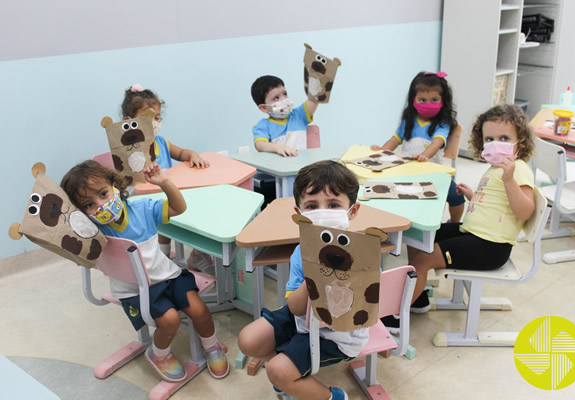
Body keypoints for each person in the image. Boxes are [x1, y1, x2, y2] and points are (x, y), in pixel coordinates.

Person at [61, 160, 229, 382]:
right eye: (89, 205)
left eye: (103, 194)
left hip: (167, 275)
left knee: (200, 310)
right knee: (170, 321)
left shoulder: (142, 208)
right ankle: (159, 354)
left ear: (115, 186)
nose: (100, 205)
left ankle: (211, 346)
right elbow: (82, 257)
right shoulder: (93, 232)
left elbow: (179, 208)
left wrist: (164, 182)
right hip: (134, 291)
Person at [383, 104, 536, 331]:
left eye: (504, 138)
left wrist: (509, 180)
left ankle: (396, 315)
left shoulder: (518, 169)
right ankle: (418, 294)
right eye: (490, 139)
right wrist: (473, 196)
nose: (496, 143)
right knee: (420, 236)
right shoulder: (495, 168)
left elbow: (524, 212)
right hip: (474, 233)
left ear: (520, 141)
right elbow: (497, 205)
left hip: (491, 246)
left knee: (424, 259)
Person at [238, 160, 366, 400]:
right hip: (302, 316)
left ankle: (333, 397)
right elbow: (295, 307)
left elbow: (359, 311)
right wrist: (316, 274)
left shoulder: (362, 253)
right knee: (249, 339)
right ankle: (288, 381)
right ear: (299, 214)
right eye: (312, 205)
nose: (323, 212)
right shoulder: (300, 252)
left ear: (353, 211)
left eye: (334, 204)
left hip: (339, 335)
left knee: (277, 370)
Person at [121, 83, 213, 272]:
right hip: (142, 200)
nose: (154, 122)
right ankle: (161, 259)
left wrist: (192, 155)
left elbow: (182, 153)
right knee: (163, 215)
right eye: (148, 118)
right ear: (128, 121)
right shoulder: (128, 151)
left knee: (194, 207)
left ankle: (195, 253)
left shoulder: (161, 142)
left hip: (166, 194)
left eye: (158, 117)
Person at [370, 71, 465, 223]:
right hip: (407, 171)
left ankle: (454, 223)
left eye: (434, 99)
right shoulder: (409, 121)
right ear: (413, 100)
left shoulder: (442, 123)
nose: (428, 104)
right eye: (422, 100)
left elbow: (437, 142)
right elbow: (394, 140)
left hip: (433, 172)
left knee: (457, 195)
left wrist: (425, 155)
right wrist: (380, 152)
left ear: (443, 101)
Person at [251, 75, 318, 157]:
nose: (284, 99)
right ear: (264, 108)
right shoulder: (263, 125)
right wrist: (278, 148)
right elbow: (260, 145)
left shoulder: (298, 115)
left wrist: (317, 87)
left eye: (285, 94)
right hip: (278, 168)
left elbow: (314, 100)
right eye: (276, 98)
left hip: (303, 167)